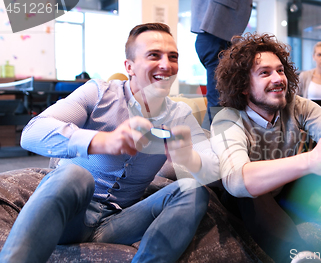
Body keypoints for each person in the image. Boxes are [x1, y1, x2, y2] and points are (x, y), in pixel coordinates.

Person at [0, 23, 219, 263]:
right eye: (154, 56)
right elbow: (31, 133)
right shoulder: (98, 93)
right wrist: (103, 140)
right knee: (74, 174)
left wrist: (188, 158)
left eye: (173, 57)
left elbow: (213, 168)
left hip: (121, 221)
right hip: (72, 215)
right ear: (129, 67)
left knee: (194, 191)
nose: (166, 65)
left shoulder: (180, 114)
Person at [210, 33, 321, 263]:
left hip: (284, 198)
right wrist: (311, 160)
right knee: (252, 182)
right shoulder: (227, 119)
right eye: (265, 73)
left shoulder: (296, 105)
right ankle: (300, 255)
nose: (278, 78)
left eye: (280, 70)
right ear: (243, 85)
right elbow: (236, 180)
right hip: (245, 211)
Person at [191, 0, 253, 130]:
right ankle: (212, 145)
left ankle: (208, 145)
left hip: (218, 37)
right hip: (215, 37)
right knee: (219, 102)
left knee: (222, 102)